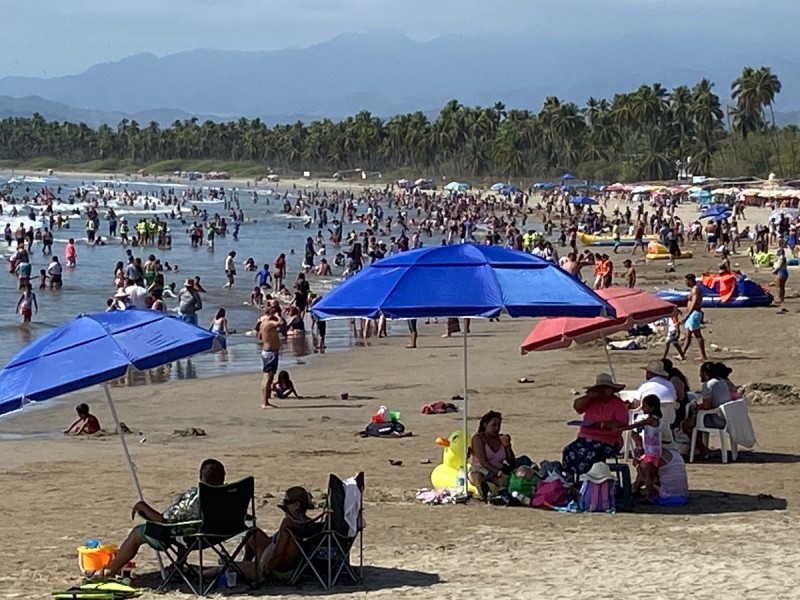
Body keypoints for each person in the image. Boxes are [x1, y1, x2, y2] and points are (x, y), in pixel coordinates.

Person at [100, 459, 226, 578]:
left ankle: (109, 570)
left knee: (137, 533)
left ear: (201, 478)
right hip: (217, 534)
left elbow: (163, 520)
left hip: (192, 537)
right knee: (186, 523)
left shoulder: (194, 498)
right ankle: (180, 565)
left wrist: (142, 506)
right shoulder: (228, 495)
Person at [238, 487, 316, 583]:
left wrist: (266, 570)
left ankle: (246, 567)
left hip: (273, 569)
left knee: (224, 568)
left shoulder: (288, 523)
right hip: (289, 567)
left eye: (286, 502)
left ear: (297, 505)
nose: (285, 505)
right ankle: (246, 562)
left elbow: (278, 553)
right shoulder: (308, 523)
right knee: (253, 533)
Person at [562, 373, 628, 477]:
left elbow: (621, 424)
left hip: (607, 441)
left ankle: (587, 481)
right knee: (568, 450)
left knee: (586, 454)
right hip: (585, 438)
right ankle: (570, 479)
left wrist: (601, 425)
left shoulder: (618, 405)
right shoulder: (592, 401)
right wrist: (589, 396)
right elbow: (577, 407)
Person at [681, 361, 735, 458]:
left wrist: (696, 406)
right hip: (727, 416)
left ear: (705, 373)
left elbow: (707, 405)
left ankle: (702, 449)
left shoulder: (708, 385)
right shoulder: (722, 381)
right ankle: (700, 448)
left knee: (686, 425)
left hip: (717, 419)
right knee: (697, 420)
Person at [616, 394, 662, 499]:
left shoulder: (650, 420)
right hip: (654, 452)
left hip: (650, 454)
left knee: (648, 477)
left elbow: (635, 425)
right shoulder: (656, 419)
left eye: (644, 406)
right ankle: (642, 492)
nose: (642, 408)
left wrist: (621, 428)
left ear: (651, 408)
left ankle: (649, 496)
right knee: (645, 474)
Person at [468, 410, 515, 499]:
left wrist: (508, 446)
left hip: (498, 468)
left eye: (499, 425)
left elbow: (511, 461)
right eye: (493, 425)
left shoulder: (501, 438)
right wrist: (499, 473)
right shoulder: (478, 438)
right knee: (479, 476)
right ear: (485, 425)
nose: (497, 428)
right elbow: (483, 461)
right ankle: (485, 494)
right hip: (481, 469)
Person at [258, 306, 282, 408]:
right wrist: (278, 317)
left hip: (269, 352)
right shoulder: (268, 323)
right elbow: (280, 323)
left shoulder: (263, 324)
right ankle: (264, 402)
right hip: (270, 353)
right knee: (267, 378)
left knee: (269, 377)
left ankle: (267, 399)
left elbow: (259, 336)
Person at [680, 273, 707, 361]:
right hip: (693, 313)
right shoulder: (693, 289)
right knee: (688, 335)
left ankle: (703, 355)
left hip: (694, 313)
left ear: (690, 280)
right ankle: (682, 353)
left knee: (697, 334)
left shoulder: (695, 289)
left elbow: (694, 303)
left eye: (686, 281)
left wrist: (687, 316)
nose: (686, 283)